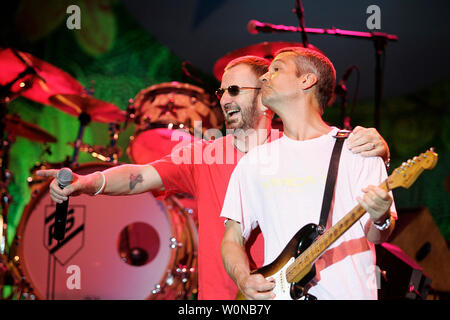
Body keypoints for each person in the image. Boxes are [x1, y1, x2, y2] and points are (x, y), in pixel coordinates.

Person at [37, 55, 390, 300]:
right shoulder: (205, 153)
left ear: (265, 97)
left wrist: (380, 149)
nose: (223, 100)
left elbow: (348, 171)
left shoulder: (296, 150)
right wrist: (87, 183)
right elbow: (138, 176)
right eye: (222, 91)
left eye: (235, 90)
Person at [220, 48, 396, 300]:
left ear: (307, 80)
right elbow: (232, 238)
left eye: (276, 69)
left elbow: (377, 234)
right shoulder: (255, 162)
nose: (263, 78)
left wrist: (381, 217)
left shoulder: (359, 148)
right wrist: (244, 278)